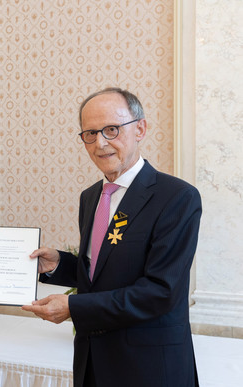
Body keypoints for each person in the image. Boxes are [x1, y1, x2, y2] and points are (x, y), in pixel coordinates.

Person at [23, 87, 201, 387]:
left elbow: (160, 291)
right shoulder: (90, 196)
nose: (100, 143)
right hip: (92, 361)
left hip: (149, 369)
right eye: (90, 133)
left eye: (112, 130)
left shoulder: (177, 197)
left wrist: (72, 308)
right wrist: (58, 265)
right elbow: (101, 272)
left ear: (140, 128)